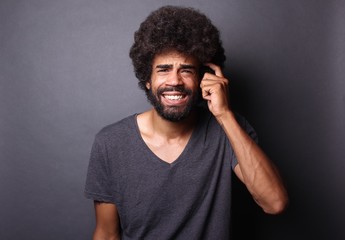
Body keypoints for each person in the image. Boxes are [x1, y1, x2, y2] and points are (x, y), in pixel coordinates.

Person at [84, 5, 288, 240]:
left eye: (186, 70)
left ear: (203, 77)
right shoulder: (111, 143)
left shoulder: (228, 129)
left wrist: (224, 115)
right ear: (147, 79)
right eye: (163, 69)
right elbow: (107, 234)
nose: (175, 81)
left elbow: (275, 203)